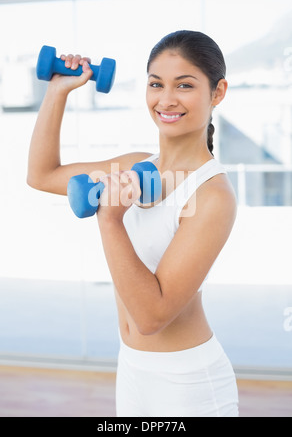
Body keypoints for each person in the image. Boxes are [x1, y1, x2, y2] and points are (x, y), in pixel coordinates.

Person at [27, 30, 239, 417]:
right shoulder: (138, 166)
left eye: (185, 85)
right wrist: (58, 91)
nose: (166, 99)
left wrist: (110, 219)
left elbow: (151, 317)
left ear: (217, 92)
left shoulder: (212, 195)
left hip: (187, 382)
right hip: (132, 370)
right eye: (156, 84)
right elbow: (42, 175)